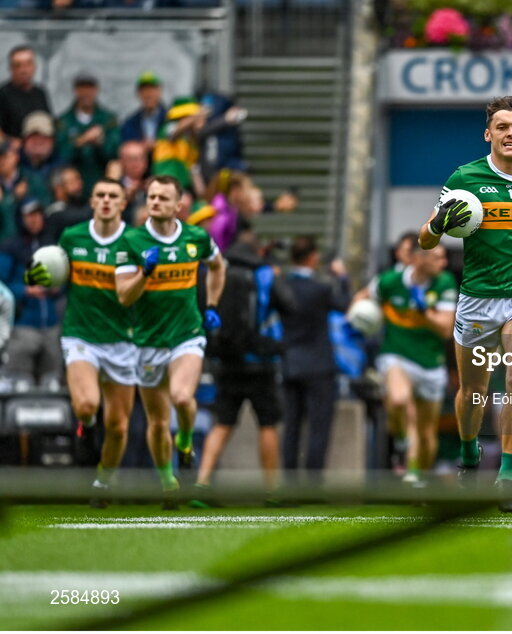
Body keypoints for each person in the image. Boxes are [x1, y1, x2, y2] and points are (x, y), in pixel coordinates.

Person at [418, 95, 512, 513]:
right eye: (502, 127)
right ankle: (468, 451)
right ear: (489, 134)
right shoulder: (464, 177)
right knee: (473, 393)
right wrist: (438, 226)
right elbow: (423, 239)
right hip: (478, 299)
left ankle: (506, 475)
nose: (510, 133)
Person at [24, 178, 137, 507]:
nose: (105, 200)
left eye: (112, 196)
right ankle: (86, 426)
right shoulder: (72, 238)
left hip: (123, 340)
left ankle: (103, 482)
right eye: (100, 194)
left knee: (117, 426)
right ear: (91, 201)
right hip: (81, 334)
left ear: (123, 202)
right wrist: (39, 279)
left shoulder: (134, 241)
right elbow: (55, 277)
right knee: (87, 404)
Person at [114, 175, 225, 508]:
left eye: (163, 198)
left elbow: (218, 266)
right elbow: (123, 297)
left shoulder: (196, 238)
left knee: (181, 395)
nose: (155, 202)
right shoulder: (130, 241)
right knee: (158, 421)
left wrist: (212, 305)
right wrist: (144, 273)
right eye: (151, 197)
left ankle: (187, 440)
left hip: (187, 334)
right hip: (148, 341)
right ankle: (168, 484)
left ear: (179, 205)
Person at [191, 226, 296, 506]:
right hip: (261, 362)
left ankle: (202, 485)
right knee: (268, 424)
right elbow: (291, 305)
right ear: (258, 250)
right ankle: (272, 492)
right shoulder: (264, 275)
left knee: (222, 423)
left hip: (225, 362)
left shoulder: (217, 272)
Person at [354, 244, 457, 487]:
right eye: (437, 257)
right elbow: (362, 297)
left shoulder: (444, 283)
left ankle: (418, 475)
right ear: (418, 259)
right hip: (397, 355)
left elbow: (445, 329)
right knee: (400, 401)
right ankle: (403, 449)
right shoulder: (390, 281)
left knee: (427, 434)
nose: (442, 263)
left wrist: (424, 312)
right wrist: (355, 318)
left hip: (431, 364)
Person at [279, 236, 350, 485]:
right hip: (319, 365)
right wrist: (342, 279)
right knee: (319, 427)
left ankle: (289, 481)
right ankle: (313, 482)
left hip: (290, 363)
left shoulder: (283, 286)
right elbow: (344, 306)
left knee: (291, 426)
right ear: (312, 257)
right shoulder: (320, 290)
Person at [0, 200, 62, 390]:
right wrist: (25, 290)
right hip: (22, 326)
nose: (35, 220)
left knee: (52, 384)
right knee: (20, 384)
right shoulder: (10, 247)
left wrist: (57, 287)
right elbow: (2, 285)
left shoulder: (52, 245)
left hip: (51, 326)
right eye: (30, 216)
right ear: (21, 218)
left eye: (38, 215)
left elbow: (66, 278)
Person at [55, 72, 120, 194]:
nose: (86, 93)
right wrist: (82, 141)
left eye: (89, 88)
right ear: (75, 91)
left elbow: (114, 152)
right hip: (73, 188)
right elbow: (62, 154)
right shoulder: (64, 121)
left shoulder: (108, 120)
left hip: (101, 180)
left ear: (96, 90)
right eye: (82, 88)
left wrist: (100, 143)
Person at [0, 45, 51, 140]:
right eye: (18, 65)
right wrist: (10, 143)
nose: (24, 70)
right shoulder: (3, 94)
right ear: (11, 69)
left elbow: (49, 121)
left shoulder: (40, 93)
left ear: (34, 67)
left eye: (28, 64)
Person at [20, 111, 60, 207]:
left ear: (53, 140)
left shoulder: (62, 167)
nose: (39, 141)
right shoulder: (12, 167)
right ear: (24, 140)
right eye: (33, 136)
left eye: (44, 136)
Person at [119, 71, 166, 152]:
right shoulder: (130, 123)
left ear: (159, 91)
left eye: (151, 89)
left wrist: (157, 145)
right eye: (143, 90)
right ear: (138, 94)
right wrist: (141, 146)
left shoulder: (170, 118)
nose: (147, 94)